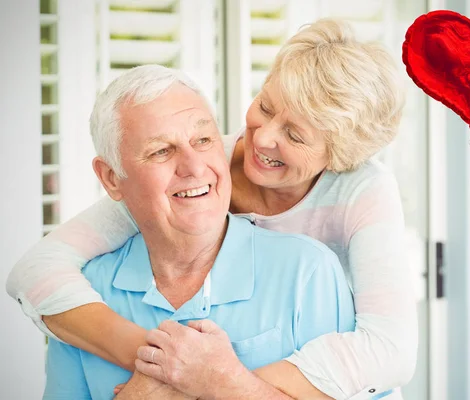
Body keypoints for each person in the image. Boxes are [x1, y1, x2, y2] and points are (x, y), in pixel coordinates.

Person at [7, 18, 418, 399]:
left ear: (339, 156)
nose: (262, 138)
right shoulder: (198, 171)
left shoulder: (354, 203)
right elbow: (36, 269)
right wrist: (165, 363)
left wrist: (207, 383)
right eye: (267, 107)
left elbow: (389, 351)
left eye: (294, 134)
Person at [42, 65, 355, 400]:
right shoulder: (85, 296)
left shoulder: (307, 271)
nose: (194, 167)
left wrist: (227, 384)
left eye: (203, 140)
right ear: (111, 178)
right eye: (161, 150)